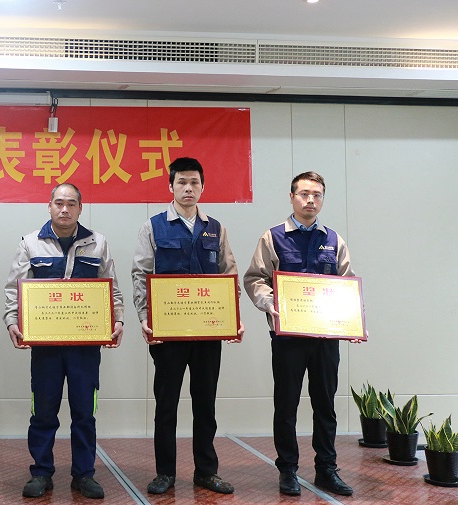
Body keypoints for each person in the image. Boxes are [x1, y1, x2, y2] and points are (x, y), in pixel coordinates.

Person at [4, 183, 125, 500]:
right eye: (59, 203)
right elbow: (14, 288)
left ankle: (84, 475)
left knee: (85, 412)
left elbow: (111, 287)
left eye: (71, 204)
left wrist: (118, 320)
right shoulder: (31, 243)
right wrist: (12, 321)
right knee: (43, 412)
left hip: (86, 346)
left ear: (80, 208)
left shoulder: (97, 243)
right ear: (49, 206)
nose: (64, 209)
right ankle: (41, 472)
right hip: (45, 347)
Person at [130, 157, 242, 495]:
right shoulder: (153, 227)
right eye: (181, 182)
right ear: (171, 186)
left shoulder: (216, 228)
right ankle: (165, 473)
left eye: (194, 182)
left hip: (208, 332)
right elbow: (140, 274)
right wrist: (145, 318)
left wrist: (233, 319)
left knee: (205, 404)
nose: (188, 188)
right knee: (166, 405)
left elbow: (229, 274)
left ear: (202, 187)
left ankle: (206, 471)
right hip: (168, 334)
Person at [244, 171, 357, 497]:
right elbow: (255, 278)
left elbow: (347, 284)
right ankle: (288, 470)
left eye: (317, 195)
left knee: (326, 405)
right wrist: (269, 303)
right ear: (292, 197)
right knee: (286, 404)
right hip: (288, 339)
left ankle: (326, 469)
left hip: (325, 339)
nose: (310, 200)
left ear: (322, 199)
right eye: (304, 194)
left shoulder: (334, 240)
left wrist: (352, 321)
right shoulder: (273, 237)